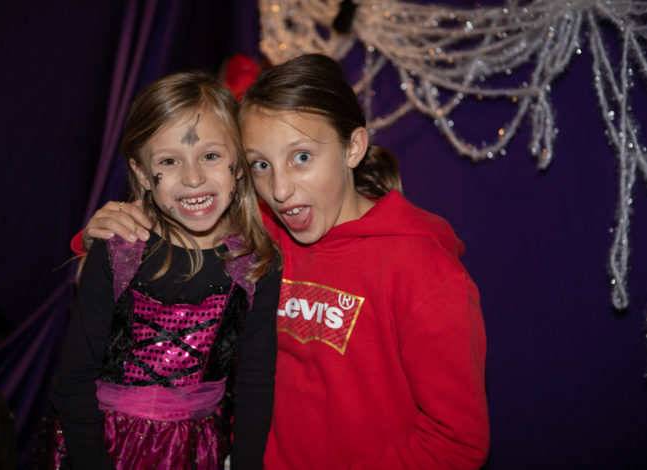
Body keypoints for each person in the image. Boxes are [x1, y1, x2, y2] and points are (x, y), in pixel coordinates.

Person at [78, 54, 489, 469]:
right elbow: (167, 242)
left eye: (301, 157)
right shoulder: (260, 237)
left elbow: (456, 441)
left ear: (353, 148)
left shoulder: (425, 272)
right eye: (261, 164)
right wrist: (101, 232)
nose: (279, 189)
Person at [52, 71, 281, 469]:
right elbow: (72, 383)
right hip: (104, 446)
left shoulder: (256, 261)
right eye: (169, 161)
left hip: (199, 453)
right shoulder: (120, 250)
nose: (193, 178)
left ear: (239, 164)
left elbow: (255, 387)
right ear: (143, 174)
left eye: (210, 156)